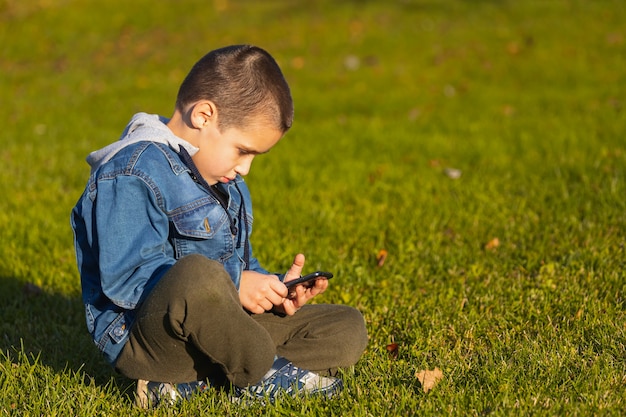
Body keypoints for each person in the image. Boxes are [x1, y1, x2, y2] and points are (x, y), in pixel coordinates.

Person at [71, 45, 368, 408]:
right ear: (204, 116)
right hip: (151, 340)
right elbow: (128, 281)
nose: (245, 169)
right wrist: (234, 283)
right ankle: (256, 372)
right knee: (199, 276)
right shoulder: (132, 170)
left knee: (346, 328)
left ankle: (203, 382)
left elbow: (240, 268)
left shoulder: (225, 181)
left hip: (217, 331)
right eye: (243, 151)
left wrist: (273, 293)